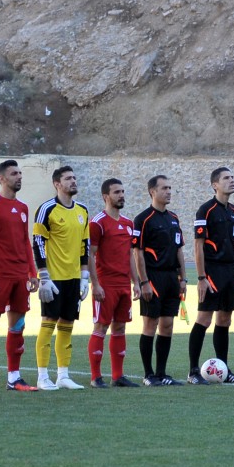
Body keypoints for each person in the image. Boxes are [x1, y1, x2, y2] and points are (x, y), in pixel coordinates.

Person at [0, 160, 39, 392]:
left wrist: (32, 272)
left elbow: (25, 242)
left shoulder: (22, 207)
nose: (19, 177)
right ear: (2, 178)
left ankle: (14, 377)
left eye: (20, 173)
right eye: (14, 174)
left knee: (18, 325)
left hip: (21, 276)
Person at [32, 165, 91, 391]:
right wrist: (43, 277)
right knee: (48, 325)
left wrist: (84, 276)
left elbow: (85, 245)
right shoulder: (47, 209)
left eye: (74, 178)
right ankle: (42, 376)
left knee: (67, 326)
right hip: (53, 279)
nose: (73, 181)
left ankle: (63, 375)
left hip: (73, 279)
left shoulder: (82, 211)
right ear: (57, 184)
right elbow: (38, 243)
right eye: (68, 178)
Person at [132, 174, 186, 386]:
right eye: (164, 188)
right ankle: (148, 375)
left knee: (168, 325)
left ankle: (162, 374)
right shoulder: (143, 219)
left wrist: (183, 278)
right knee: (150, 324)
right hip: (153, 277)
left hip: (171, 278)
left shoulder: (173, 218)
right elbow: (138, 253)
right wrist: (143, 282)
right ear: (152, 192)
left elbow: (179, 249)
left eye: (170, 188)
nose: (168, 191)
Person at [188, 167, 234, 385]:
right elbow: (198, 247)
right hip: (211, 270)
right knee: (204, 318)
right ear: (215, 185)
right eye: (226, 178)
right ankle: (193, 371)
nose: (231, 181)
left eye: (232, 177)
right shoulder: (205, 210)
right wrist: (201, 278)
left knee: (225, 319)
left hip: (230, 270)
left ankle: (224, 370)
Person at [89, 178, 139, 388]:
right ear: (105, 197)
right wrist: (96, 284)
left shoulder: (128, 223)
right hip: (106, 283)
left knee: (120, 327)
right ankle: (96, 377)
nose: (121, 195)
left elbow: (129, 256)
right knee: (101, 326)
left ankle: (118, 376)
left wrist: (136, 282)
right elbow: (90, 255)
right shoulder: (97, 222)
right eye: (117, 192)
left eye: (122, 191)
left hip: (123, 285)